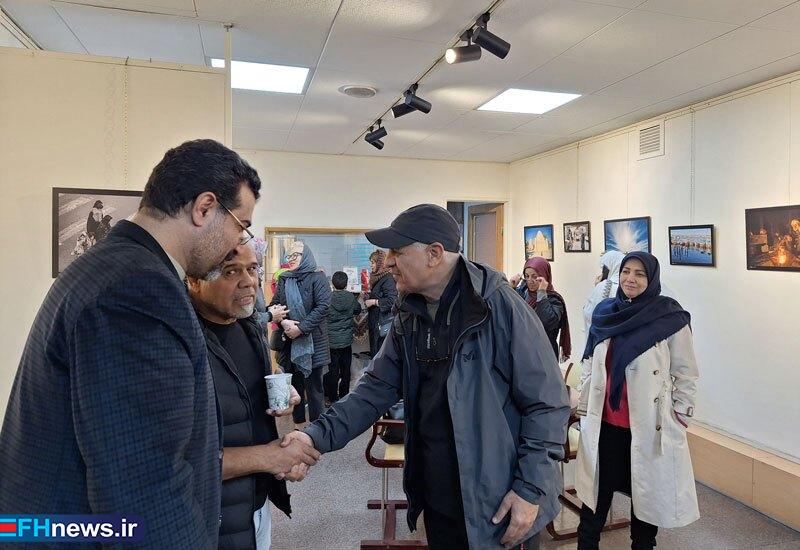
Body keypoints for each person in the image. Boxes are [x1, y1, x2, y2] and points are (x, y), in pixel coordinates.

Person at [0, 139, 260, 547]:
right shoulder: (139, 288)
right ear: (205, 208)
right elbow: (146, 485)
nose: (237, 243)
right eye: (240, 225)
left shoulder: (114, 265)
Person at [282, 204, 570, 550]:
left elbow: (547, 404)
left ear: (434, 254)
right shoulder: (410, 314)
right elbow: (373, 390)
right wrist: (314, 436)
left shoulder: (500, 307)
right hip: (438, 491)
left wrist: (530, 488)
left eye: (397, 252)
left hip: (498, 500)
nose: (388, 262)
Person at [188, 243, 320, 550]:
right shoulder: (178, 344)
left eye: (252, 269)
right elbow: (174, 461)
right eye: (231, 271)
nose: (249, 281)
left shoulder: (249, 330)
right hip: (208, 516)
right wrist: (269, 457)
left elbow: (258, 413)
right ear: (194, 280)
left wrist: (283, 409)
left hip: (256, 504)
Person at [576, 251, 700, 550]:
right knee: (594, 503)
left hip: (647, 427)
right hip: (605, 424)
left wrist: (679, 416)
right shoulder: (605, 313)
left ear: (652, 279)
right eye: (626, 271)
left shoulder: (670, 318)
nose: (630, 279)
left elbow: (686, 373)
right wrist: (583, 401)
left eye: (640, 274)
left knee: (645, 504)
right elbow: (589, 358)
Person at [270, 241, 331, 426]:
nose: (291, 259)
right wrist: (283, 322)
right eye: (289, 255)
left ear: (306, 256)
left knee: (314, 389)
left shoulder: (317, 278)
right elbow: (275, 306)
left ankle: (317, 430)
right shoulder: (285, 278)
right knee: (294, 387)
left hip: (313, 343)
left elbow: (323, 307)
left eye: (295, 255)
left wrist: (301, 328)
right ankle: (298, 426)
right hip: (289, 342)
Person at [511, 257, 571, 361]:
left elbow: (547, 323)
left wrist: (542, 293)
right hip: (523, 353)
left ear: (544, 276)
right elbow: (506, 313)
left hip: (544, 355)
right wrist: (510, 288)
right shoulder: (522, 293)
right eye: (527, 276)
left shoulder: (554, 299)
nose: (530, 281)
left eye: (535, 277)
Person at [324, 271, 363, 404]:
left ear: (332, 283)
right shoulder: (350, 297)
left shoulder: (327, 298)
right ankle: (344, 396)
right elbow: (357, 310)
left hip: (331, 341)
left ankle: (332, 398)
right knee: (346, 370)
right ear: (346, 284)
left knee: (332, 371)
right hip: (346, 341)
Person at [364, 249, 398, 357]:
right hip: (376, 322)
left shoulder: (388, 279)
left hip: (382, 323)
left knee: (380, 354)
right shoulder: (379, 278)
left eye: (373, 262)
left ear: (380, 263)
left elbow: (392, 300)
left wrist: (374, 301)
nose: (371, 265)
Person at [582, 250, 626, 332]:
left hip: (602, 334)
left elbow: (590, 313)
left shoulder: (603, 286)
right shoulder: (628, 286)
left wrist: (597, 287)